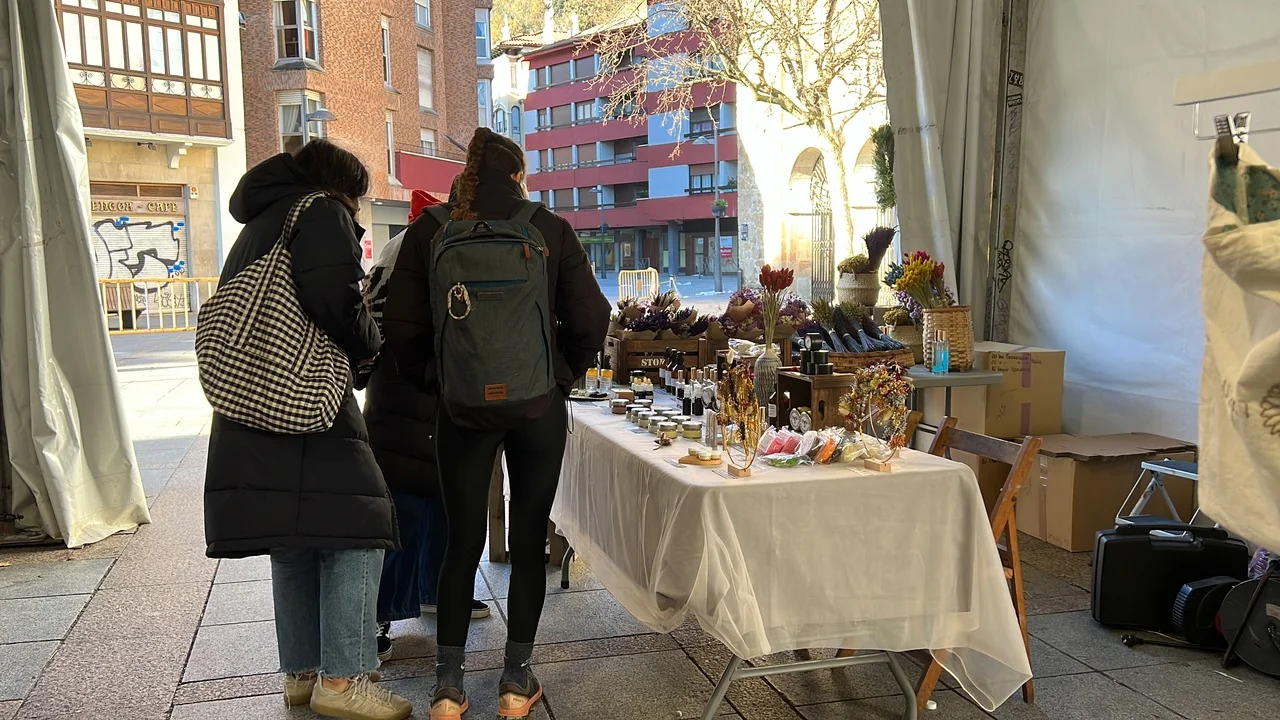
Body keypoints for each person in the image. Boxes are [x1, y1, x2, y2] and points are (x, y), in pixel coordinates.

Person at [382, 127, 610, 719]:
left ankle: (447, 689)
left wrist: (440, 381)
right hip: (537, 407)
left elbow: (401, 327)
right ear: (516, 177)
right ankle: (514, 683)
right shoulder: (548, 228)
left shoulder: (429, 231)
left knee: (462, 543)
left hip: (461, 409)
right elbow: (592, 316)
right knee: (529, 538)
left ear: (466, 175)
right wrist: (559, 376)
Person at [203, 139, 412, 720]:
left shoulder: (263, 221)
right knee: (359, 528)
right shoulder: (319, 211)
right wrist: (372, 342)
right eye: (358, 200)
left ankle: (301, 674)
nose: (359, 211)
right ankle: (343, 682)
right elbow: (336, 301)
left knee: (293, 536)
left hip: (255, 396)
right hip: (307, 393)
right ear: (341, 188)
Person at [361, 190, 492, 665]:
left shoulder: (408, 242)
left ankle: (437, 590)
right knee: (406, 506)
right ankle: (377, 616)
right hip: (412, 390)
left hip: (417, 389)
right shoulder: (427, 243)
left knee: (440, 498)